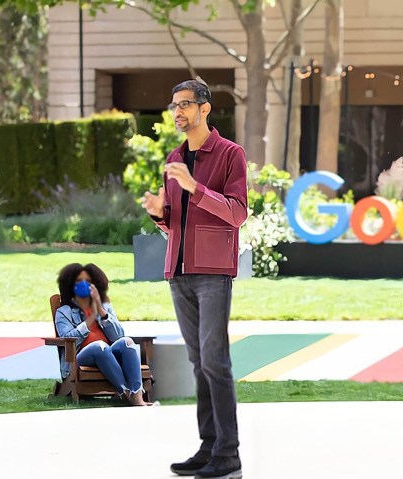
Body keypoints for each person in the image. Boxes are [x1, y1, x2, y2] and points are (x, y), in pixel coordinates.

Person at [141, 78, 247, 479]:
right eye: (173, 106)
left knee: (216, 362)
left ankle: (229, 454)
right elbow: (175, 225)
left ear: (205, 108)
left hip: (213, 274)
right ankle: (209, 447)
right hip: (179, 273)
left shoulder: (230, 155)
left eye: (185, 104)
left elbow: (237, 213)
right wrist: (158, 213)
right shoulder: (174, 157)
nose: (178, 112)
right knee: (199, 362)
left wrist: (193, 187)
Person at [55, 262, 150, 407]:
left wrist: (100, 311)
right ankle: (125, 392)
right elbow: (67, 339)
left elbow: (118, 336)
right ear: (70, 285)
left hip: (108, 355)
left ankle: (137, 396)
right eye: (79, 281)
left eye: (88, 281)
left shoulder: (104, 307)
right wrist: (91, 317)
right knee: (100, 346)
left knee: (127, 342)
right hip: (79, 358)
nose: (84, 285)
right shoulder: (64, 312)